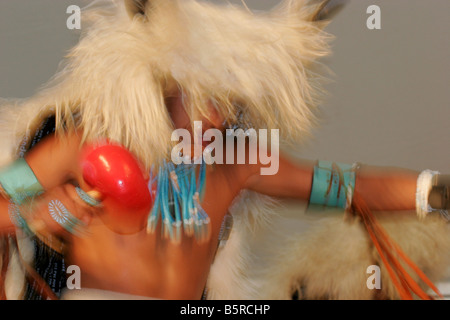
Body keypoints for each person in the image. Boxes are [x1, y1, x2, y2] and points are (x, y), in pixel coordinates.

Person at [0, 0, 448, 300]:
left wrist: (433, 191)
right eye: (205, 100)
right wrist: (36, 213)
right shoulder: (85, 144)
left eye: (231, 106)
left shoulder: (234, 164)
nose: (217, 119)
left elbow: (344, 186)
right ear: (167, 86)